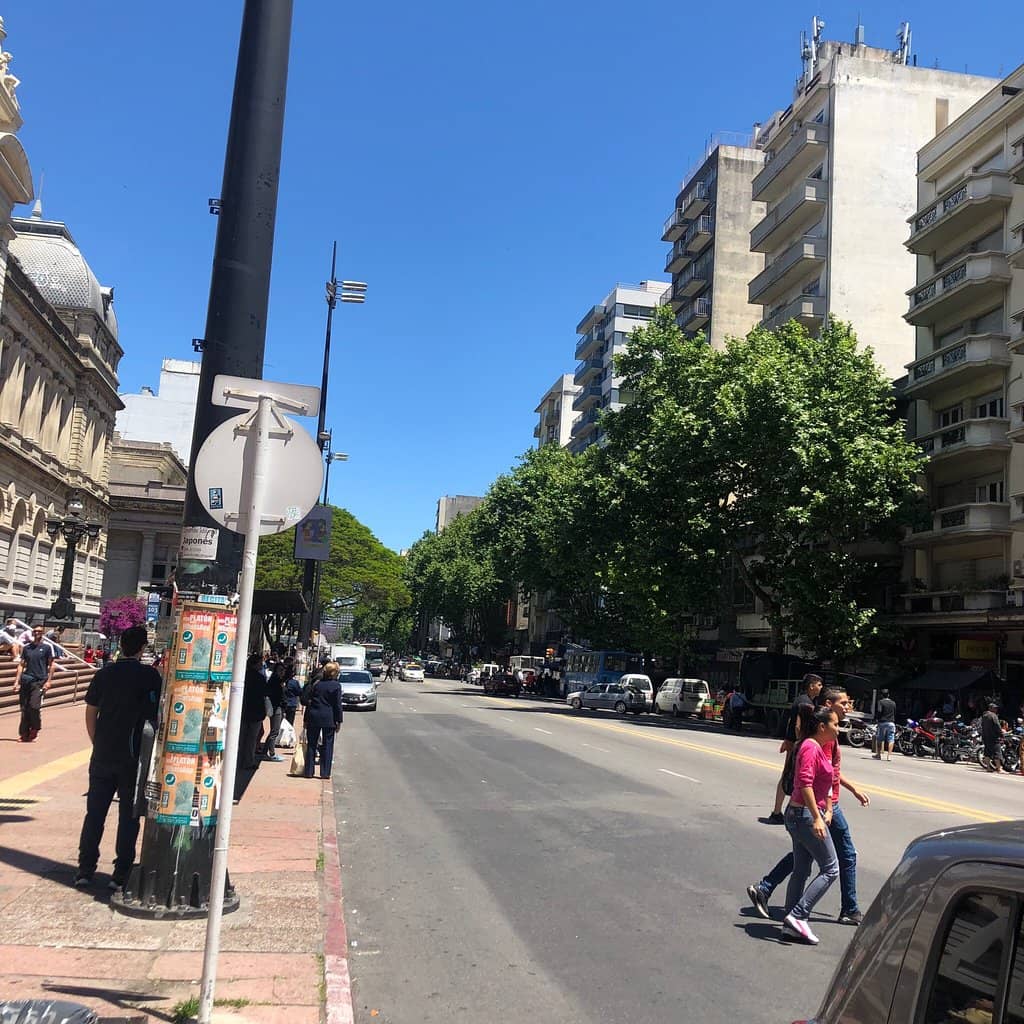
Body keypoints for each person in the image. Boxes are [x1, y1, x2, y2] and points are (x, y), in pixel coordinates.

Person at [748, 688, 870, 928]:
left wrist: (852, 788)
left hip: (822, 806)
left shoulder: (827, 734)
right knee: (840, 858)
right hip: (819, 807)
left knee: (807, 856)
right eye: (843, 703)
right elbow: (812, 778)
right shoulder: (820, 738)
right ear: (828, 705)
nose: (848, 706)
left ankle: (771, 893)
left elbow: (831, 772)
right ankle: (843, 909)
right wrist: (823, 811)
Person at [75, 625, 160, 890]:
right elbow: (157, 712)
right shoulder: (149, 676)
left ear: (120, 645)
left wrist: (95, 740)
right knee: (129, 815)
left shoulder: (105, 674)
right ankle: (120, 873)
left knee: (94, 814)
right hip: (133, 755)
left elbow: (91, 711)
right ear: (142, 648)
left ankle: (85, 870)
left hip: (102, 753)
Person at [775, 705, 842, 944]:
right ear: (822, 726)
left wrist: (829, 807)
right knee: (831, 868)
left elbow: (829, 779)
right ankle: (798, 915)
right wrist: (816, 816)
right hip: (803, 815)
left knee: (802, 869)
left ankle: (790, 921)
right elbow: (805, 784)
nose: (838, 728)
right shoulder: (811, 748)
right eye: (835, 724)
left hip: (799, 814)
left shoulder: (815, 747)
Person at [767, 673, 823, 824]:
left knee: (788, 775)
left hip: (793, 742)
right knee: (795, 778)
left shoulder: (801, 699)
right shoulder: (806, 703)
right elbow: (798, 725)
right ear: (811, 686)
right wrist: (801, 743)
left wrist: (787, 739)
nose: (820, 687)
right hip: (798, 744)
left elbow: (789, 720)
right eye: (819, 684)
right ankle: (788, 812)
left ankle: (777, 812)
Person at [13, 624, 56, 742]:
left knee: (34, 706)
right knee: (24, 708)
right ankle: (24, 733)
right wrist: (17, 681)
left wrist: (49, 681)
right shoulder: (27, 648)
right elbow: (21, 664)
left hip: (39, 681)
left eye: (39, 631)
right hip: (26, 680)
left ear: (42, 634)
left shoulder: (47, 648)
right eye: (35, 631)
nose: (37, 633)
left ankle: (35, 728)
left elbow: (51, 665)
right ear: (32, 633)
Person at [302, 661, 344, 780]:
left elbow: (310, 702)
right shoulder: (336, 686)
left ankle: (308, 771)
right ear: (334, 673)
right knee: (328, 745)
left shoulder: (317, 684)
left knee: (312, 744)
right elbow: (337, 705)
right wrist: (339, 721)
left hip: (314, 715)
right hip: (328, 717)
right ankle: (325, 772)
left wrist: (305, 719)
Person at [239, 654, 268, 771]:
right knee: (251, 739)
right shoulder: (259, 678)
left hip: (243, 711)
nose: (262, 665)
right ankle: (248, 761)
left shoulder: (243, 675)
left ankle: (239, 760)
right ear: (255, 664)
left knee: (241, 738)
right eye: (260, 663)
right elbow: (263, 695)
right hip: (255, 712)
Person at [263, 663, 285, 762]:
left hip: (277, 707)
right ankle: (271, 753)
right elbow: (277, 695)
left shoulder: (276, 680)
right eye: (280, 670)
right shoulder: (275, 681)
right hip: (276, 708)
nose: (282, 672)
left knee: (274, 731)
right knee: (274, 731)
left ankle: (265, 752)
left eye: (283, 670)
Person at [872, 688, 897, 761]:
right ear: (888, 695)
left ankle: (878, 754)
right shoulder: (893, 703)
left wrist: (877, 719)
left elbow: (879, 711)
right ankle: (889, 756)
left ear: (881, 695)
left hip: (882, 722)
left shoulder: (880, 702)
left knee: (880, 739)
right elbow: (895, 713)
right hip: (891, 723)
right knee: (891, 739)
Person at [980, 703, 1005, 773]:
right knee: (997, 753)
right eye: (994, 708)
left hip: (986, 737)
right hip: (994, 737)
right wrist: (1001, 734)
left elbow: (982, 726)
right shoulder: (993, 716)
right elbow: (997, 726)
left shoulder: (984, 716)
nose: (996, 709)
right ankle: (999, 769)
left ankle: (988, 767)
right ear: (990, 708)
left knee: (987, 752)